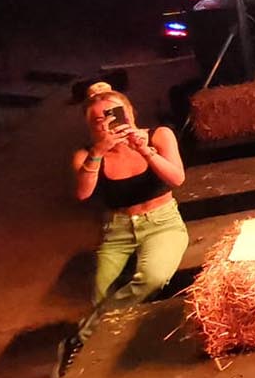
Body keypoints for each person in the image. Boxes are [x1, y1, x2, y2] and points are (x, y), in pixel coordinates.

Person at [70, 82, 189, 352]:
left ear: (130, 113)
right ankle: (107, 347)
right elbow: (83, 193)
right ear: (90, 127)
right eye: (98, 120)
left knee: (152, 277)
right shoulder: (86, 154)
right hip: (117, 229)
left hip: (162, 223)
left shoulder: (159, 135)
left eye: (114, 114)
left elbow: (177, 178)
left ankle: (84, 337)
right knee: (100, 294)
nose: (107, 123)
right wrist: (98, 152)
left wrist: (144, 150)